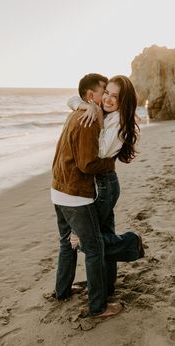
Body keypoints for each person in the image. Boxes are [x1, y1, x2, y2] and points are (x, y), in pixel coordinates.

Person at [51, 73, 123, 318]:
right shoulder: (89, 118)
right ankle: (97, 307)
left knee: (66, 245)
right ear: (91, 95)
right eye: (104, 91)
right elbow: (87, 164)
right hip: (75, 195)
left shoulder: (75, 113)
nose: (106, 96)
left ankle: (61, 292)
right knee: (93, 249)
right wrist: (110, 164)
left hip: (58, 190)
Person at [67, 75, 144, 296]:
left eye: (115, 96)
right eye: (107, 93)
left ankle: (131, 242)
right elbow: (71, 100)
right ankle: (106, 286)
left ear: (124, 101)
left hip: (105, 185)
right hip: (103, 182)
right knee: (104, 231)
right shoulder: (106, 113)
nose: (108, 99)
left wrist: (98, 118)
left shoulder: (117, 121)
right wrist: (85, 105)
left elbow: (98, 153)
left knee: (83, 239)